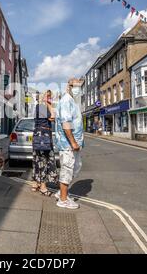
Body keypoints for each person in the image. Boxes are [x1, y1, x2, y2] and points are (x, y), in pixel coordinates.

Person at [54, 78, 84, 209]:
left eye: (80, 87)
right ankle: (63, 200)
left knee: (76, 167)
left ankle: (62, 192)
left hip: (74, 144)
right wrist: (73, 142)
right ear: (69, 87)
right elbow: (66, 124)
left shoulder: (73, 101)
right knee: (67, 169)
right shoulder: (66, 100)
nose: (78, 89)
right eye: (76, 86)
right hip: (67, 144)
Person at [31, 90, 58, 196]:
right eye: (48, 96)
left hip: (40, 135)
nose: (50, 98)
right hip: (43, 136)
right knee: (44, 160)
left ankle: (35, 183)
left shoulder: (40, 106)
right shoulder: (42, 106)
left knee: (38, 159)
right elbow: (53, 116)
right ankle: (43, 186)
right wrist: (48, 104)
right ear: (43, 97)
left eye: (51, 97)